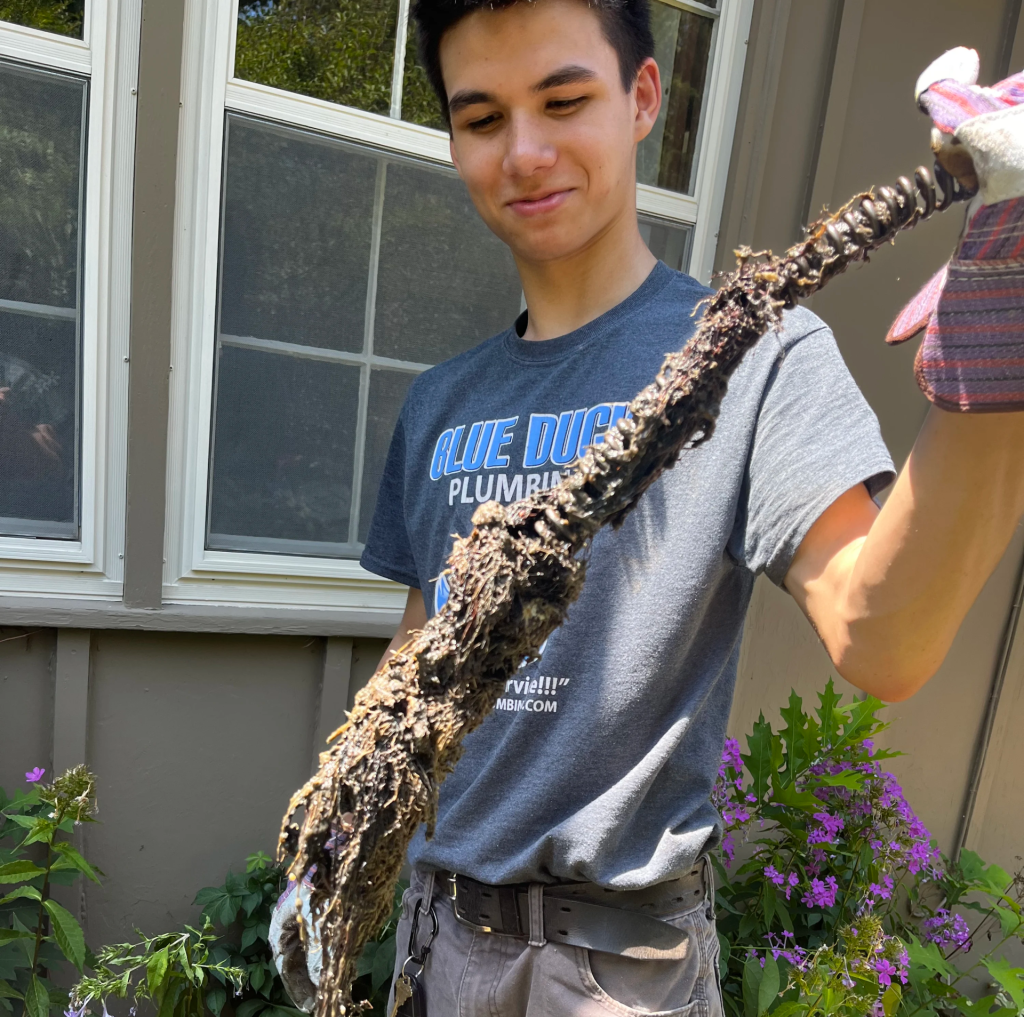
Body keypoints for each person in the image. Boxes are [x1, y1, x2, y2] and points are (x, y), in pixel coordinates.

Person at [312, 4, 1024, 1015]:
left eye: (564, 100)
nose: (525, 151)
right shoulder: (440, 403)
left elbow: (883, 638)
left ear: (642, 97)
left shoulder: (759, 354)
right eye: (483, 119)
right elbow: (421, 654)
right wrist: (335, 834)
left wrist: (997, 355)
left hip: (617, 974)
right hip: (436, 950)